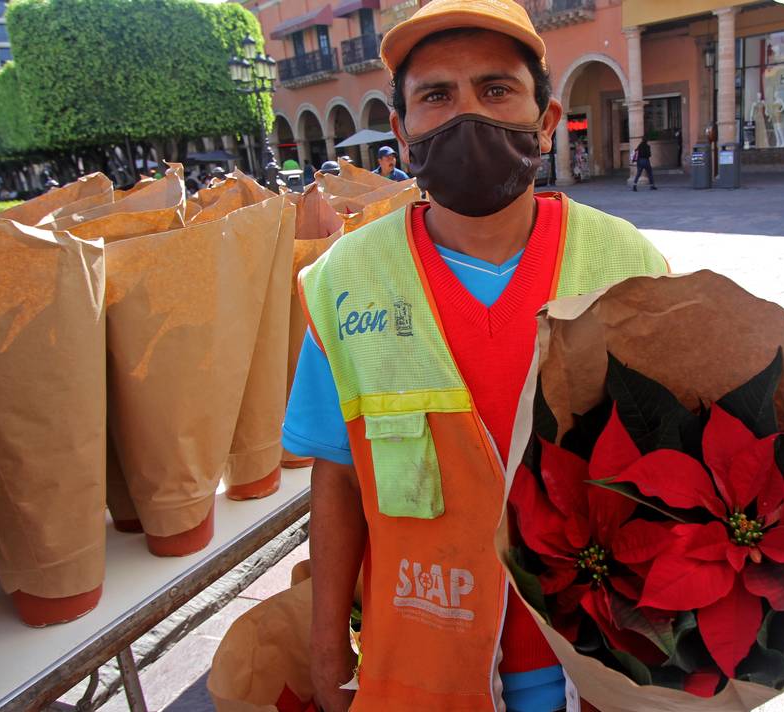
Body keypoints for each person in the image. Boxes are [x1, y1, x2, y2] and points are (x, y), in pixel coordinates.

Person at [282, 1, 667, 710]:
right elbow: (335, 480)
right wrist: (327, 644)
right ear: (400, 133)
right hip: (426, 662)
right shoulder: (345, 284)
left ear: (546, 122)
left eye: (495, 90)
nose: (467, 115)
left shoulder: (629, 263)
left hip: (598, 663)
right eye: (436, 95)